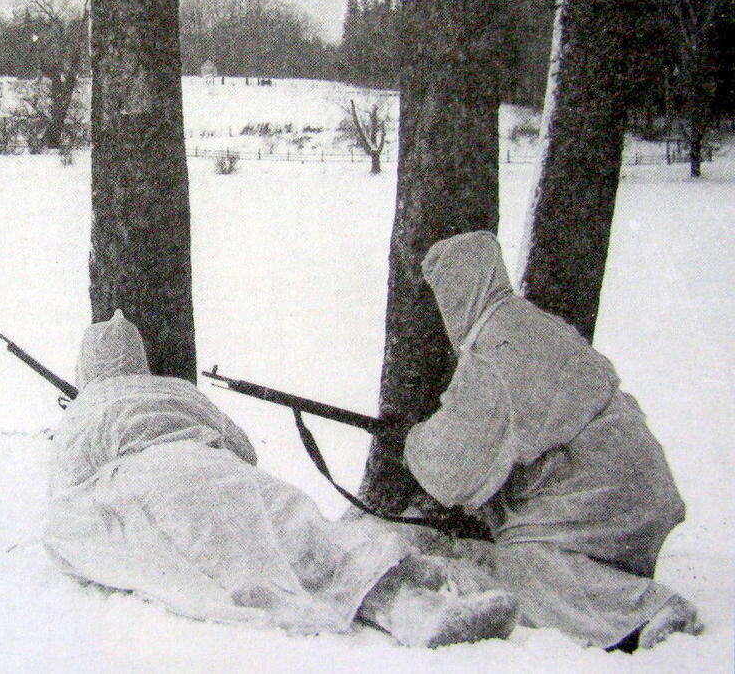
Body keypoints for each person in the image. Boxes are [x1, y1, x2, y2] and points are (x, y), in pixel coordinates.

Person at [44, 310, 519, 647]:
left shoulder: (84, 411)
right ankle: (406, 598)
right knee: (298, 531)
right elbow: (244, 449)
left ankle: (410, 607)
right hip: (217, 469)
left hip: (148, 486)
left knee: (234, 568)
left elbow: (66, 491)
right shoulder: (175, 390)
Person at [404, 231, 704, 650]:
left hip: (602, 499)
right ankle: (613, 587)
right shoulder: (530, 322)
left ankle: (647, 609)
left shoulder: (491, 351)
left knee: (519, 568)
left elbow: (453, 469)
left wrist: (412, 443)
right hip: (632, 487)